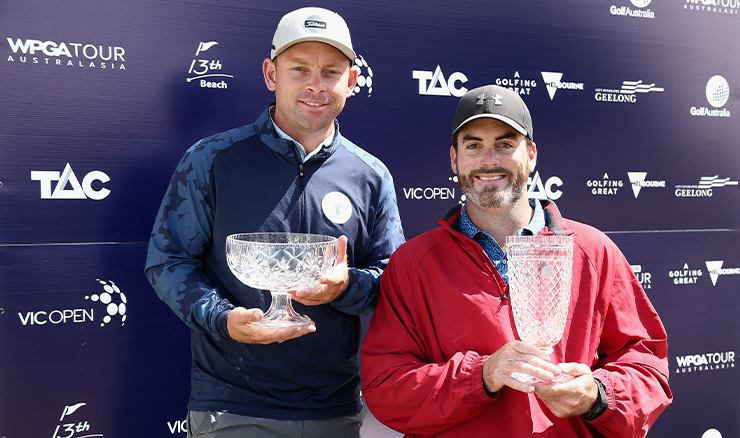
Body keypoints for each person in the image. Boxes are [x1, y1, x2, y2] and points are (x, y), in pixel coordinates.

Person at [145, 7, 405, 437]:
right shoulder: (211, 160)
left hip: (336, 409)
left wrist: (346, 287)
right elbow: (169, 261)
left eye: (331, 72)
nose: (315, 86)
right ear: (271, 74)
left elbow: (394, 283)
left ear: (352, 81)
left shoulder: (370, 175)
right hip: (233, 406)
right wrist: (224, 319)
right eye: (299, 69)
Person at [360, 84, 671, 437]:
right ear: (454, 158)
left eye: (505, 144)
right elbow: (385, 388)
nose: (489, 160)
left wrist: (598, 396)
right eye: (473, 145)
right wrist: (481, 376)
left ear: (532, 154)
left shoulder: (593, 251)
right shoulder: (413, 264)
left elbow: (648, 369)